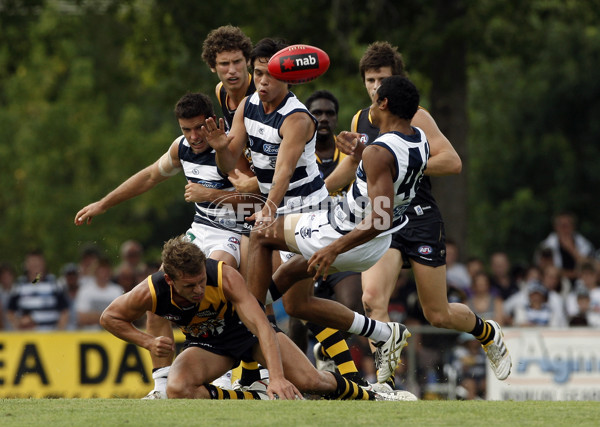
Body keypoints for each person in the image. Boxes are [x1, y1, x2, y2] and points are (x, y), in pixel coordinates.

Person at [204, 74, 427, 387]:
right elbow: (388, 172)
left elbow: (379, 215)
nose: (369, 106)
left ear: (384, 103)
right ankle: (384, 333)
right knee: (294, 301)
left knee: (259, 235)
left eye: (374, 98)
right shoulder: (418, 139)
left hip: (342, 232)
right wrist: (362, 148)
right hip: (374, 242)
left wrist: (333, 247)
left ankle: (247, 359)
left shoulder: (379, 152)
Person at [325, 41, 511, 385]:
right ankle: (386, 384)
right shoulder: (358, 120)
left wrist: (404, 159)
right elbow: (351, 170)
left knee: (437, 314)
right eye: (369, 80)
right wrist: (315, 191)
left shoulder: (416, 116)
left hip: (421, 216)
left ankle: (487, 332)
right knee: (371, 299)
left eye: (382, 79)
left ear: (397, 81)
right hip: (385, 220)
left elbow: (452, 162)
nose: (375, 87)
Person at [74, 92, 249, 398]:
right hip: (199, 231)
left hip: (233, 233)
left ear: (213, 122)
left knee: (216, 280)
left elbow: (256, 199)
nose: (193, 136)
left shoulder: (233, 148)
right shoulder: (182, 148)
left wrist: (210, 196)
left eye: (198, 128)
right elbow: (149, 177)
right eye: (186, 129)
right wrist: (103, 204)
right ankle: (162, 385)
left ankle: (227, 374)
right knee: (160, 293)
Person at [100, 235, 412, 401]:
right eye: (189, 285)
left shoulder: (222, 276)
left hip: (247, 334)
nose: (198, 289)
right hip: (209, 344)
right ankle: (253, 396)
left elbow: (261, 324)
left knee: (310, 381)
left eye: (200, 282)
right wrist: (146, 341)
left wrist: (276, 376)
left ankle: (370, 395)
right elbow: (110, 317)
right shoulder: (151, 289)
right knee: (177, 390)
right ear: (169, 279)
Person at [286, 90, 366, 381]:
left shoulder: (350, 152)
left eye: (329, 113)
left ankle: (326, 351)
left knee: (352, 305)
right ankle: (297, 378)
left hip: (342, 242)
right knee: (297, 315)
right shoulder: (296, 151)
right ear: (307, 117)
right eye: (316, 113)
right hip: (307, 240)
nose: (323, 118)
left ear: (337, 117)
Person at [6, 250, 69, 330]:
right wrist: (18, 324)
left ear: (43, 264)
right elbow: (10, 312)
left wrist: (60, 331)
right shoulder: (19, 285)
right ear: (26, 265)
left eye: (38, 263)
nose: (35, 265)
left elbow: (64, 311)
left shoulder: (54, 284)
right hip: (28, 337)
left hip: (50, 335)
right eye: (32, 263)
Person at [536, 211, 595, 282]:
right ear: (555, 227)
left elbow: (590, 268)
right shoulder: (546, 246)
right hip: (557, 285)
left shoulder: (584, 244)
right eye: (561, 225)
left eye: (567, 225)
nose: (564, 229)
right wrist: (574, 274)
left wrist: (572, 249)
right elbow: (546, 271)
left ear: (573, 227)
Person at [75, 256, 124, 330]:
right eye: (101, 268)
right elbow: (82, 318)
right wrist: (109, 317)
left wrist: (93, 316)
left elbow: (122, 316)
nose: (103, 272)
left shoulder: (118, 290)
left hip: (113, 334)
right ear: (95, 270)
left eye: (106, 268)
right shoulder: (85, 290)